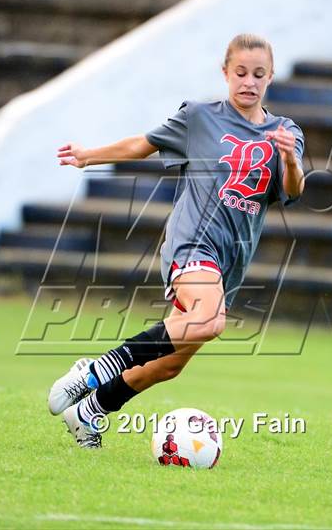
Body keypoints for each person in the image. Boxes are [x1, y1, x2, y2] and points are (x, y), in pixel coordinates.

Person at [49, 33, 305, 448]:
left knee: (169, 365)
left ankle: (91, 409)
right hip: (192, 245)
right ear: (225, 73)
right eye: (240, 72)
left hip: (231, 262)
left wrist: (291, 158)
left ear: (271, 77)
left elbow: (293, 191)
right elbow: (143, 144)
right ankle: (95, 371)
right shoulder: (200, 116)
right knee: (210, 319)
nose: (249, 82)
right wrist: (89, 155)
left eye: (259, 74)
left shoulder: (286, 132)